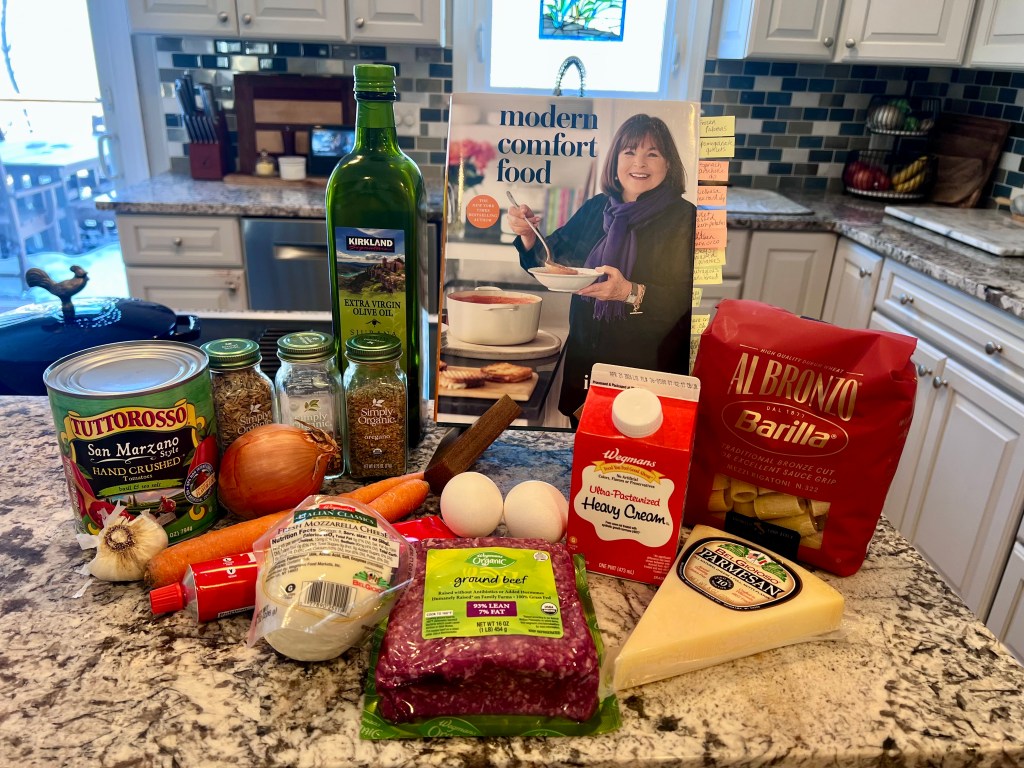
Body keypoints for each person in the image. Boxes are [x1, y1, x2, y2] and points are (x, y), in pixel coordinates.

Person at [508, 113, 696, 422]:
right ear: (616, 160)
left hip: (650, 372)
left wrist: (628, 292)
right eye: (630, 152)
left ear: (669, 164)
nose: (640, 163)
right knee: (581, 451)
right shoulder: (597, 207)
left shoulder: (685, 219)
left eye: (653, 154)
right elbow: (550, 259)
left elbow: (686, 304)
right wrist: (528, 233)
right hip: (587, 364)